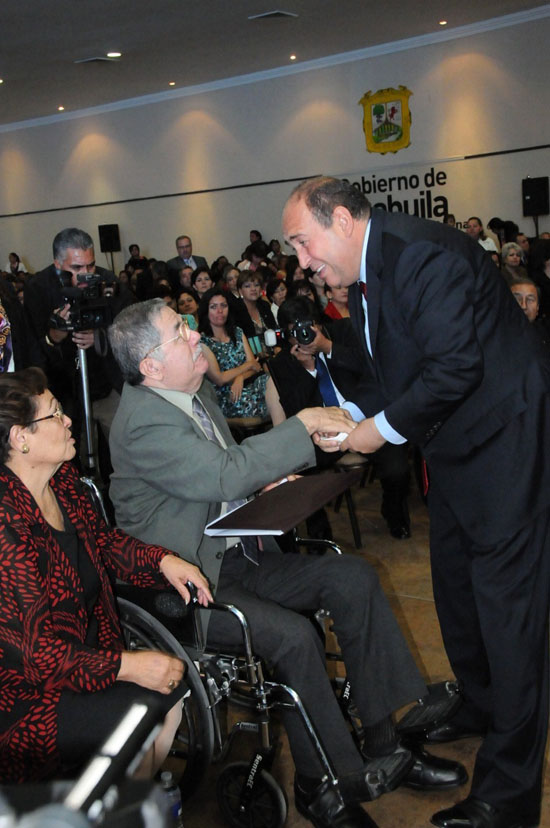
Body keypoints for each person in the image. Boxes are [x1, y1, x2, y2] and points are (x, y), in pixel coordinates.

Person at [108, 299, 466, 828]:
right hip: (187, 585)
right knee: (294, 636)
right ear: (151, 366)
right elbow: (225, 474)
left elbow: (218, 478)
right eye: (178, 332)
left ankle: (387, 744)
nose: (192, 335)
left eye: (185, 326)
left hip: (235, 556)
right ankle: (327, 782)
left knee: (352, 577)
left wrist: (266, 480)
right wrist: (301, 425)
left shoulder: (193, 392)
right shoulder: (142, 423)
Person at [282, 176, 550, 828]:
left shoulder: (421, 254)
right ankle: (480, 703)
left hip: (504, 446)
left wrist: (373, 432)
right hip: (457, 448)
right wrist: (343, 407)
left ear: (341, 219)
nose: (299, 260)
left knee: (509, 616)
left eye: (301, 241)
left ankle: (509, 795)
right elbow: (392, 366)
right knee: (458, 591)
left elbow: (453, 367)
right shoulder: (371, 271)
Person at [0, 367, 213, 784]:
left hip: (90, 660)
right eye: (55, 414)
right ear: (20, 438)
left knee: (173, 692)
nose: (68, 421)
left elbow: (104, 544)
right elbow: (35, 656)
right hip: (26, 697)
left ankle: (119, 804)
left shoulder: (64, 485)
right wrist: (127, 666)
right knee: (144, 708)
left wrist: (162, 561)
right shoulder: (6, 523)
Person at [267, 296, 411, 540]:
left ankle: (394, 513)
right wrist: (308, 370)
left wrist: (328, 348)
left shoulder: (343, 332)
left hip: (361, 422)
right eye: (294, 332)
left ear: (318, 323)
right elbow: (296, 411)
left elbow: (374, 372)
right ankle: (319, 533)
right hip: (321, 435)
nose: (303, 336)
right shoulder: (283, 362)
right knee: (300, 469)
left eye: (308, 327)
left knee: (397, 466)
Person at [24, 228, 134, 450]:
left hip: (107, 384)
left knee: (127, 449)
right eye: (76, 268)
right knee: (74, 454)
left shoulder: (108, 282)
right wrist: (54, 336)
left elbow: (133, 326)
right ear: (57, 264)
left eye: (91, 265)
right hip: (64, 392)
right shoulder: (38, 288)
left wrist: (101, 337)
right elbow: (32, 347)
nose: (86, 274)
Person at [198, 288, 267, 418]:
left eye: (223, 305)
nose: (220, 311)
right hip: (226, 396)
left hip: (246, 384)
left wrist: (240, 377)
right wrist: (246, 366)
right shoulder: (203, 342)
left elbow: (255, 368)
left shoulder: (237, 332)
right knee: (258, 400)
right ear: (206, 311)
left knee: (272, 383)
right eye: (213, 307)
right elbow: (220, 379)